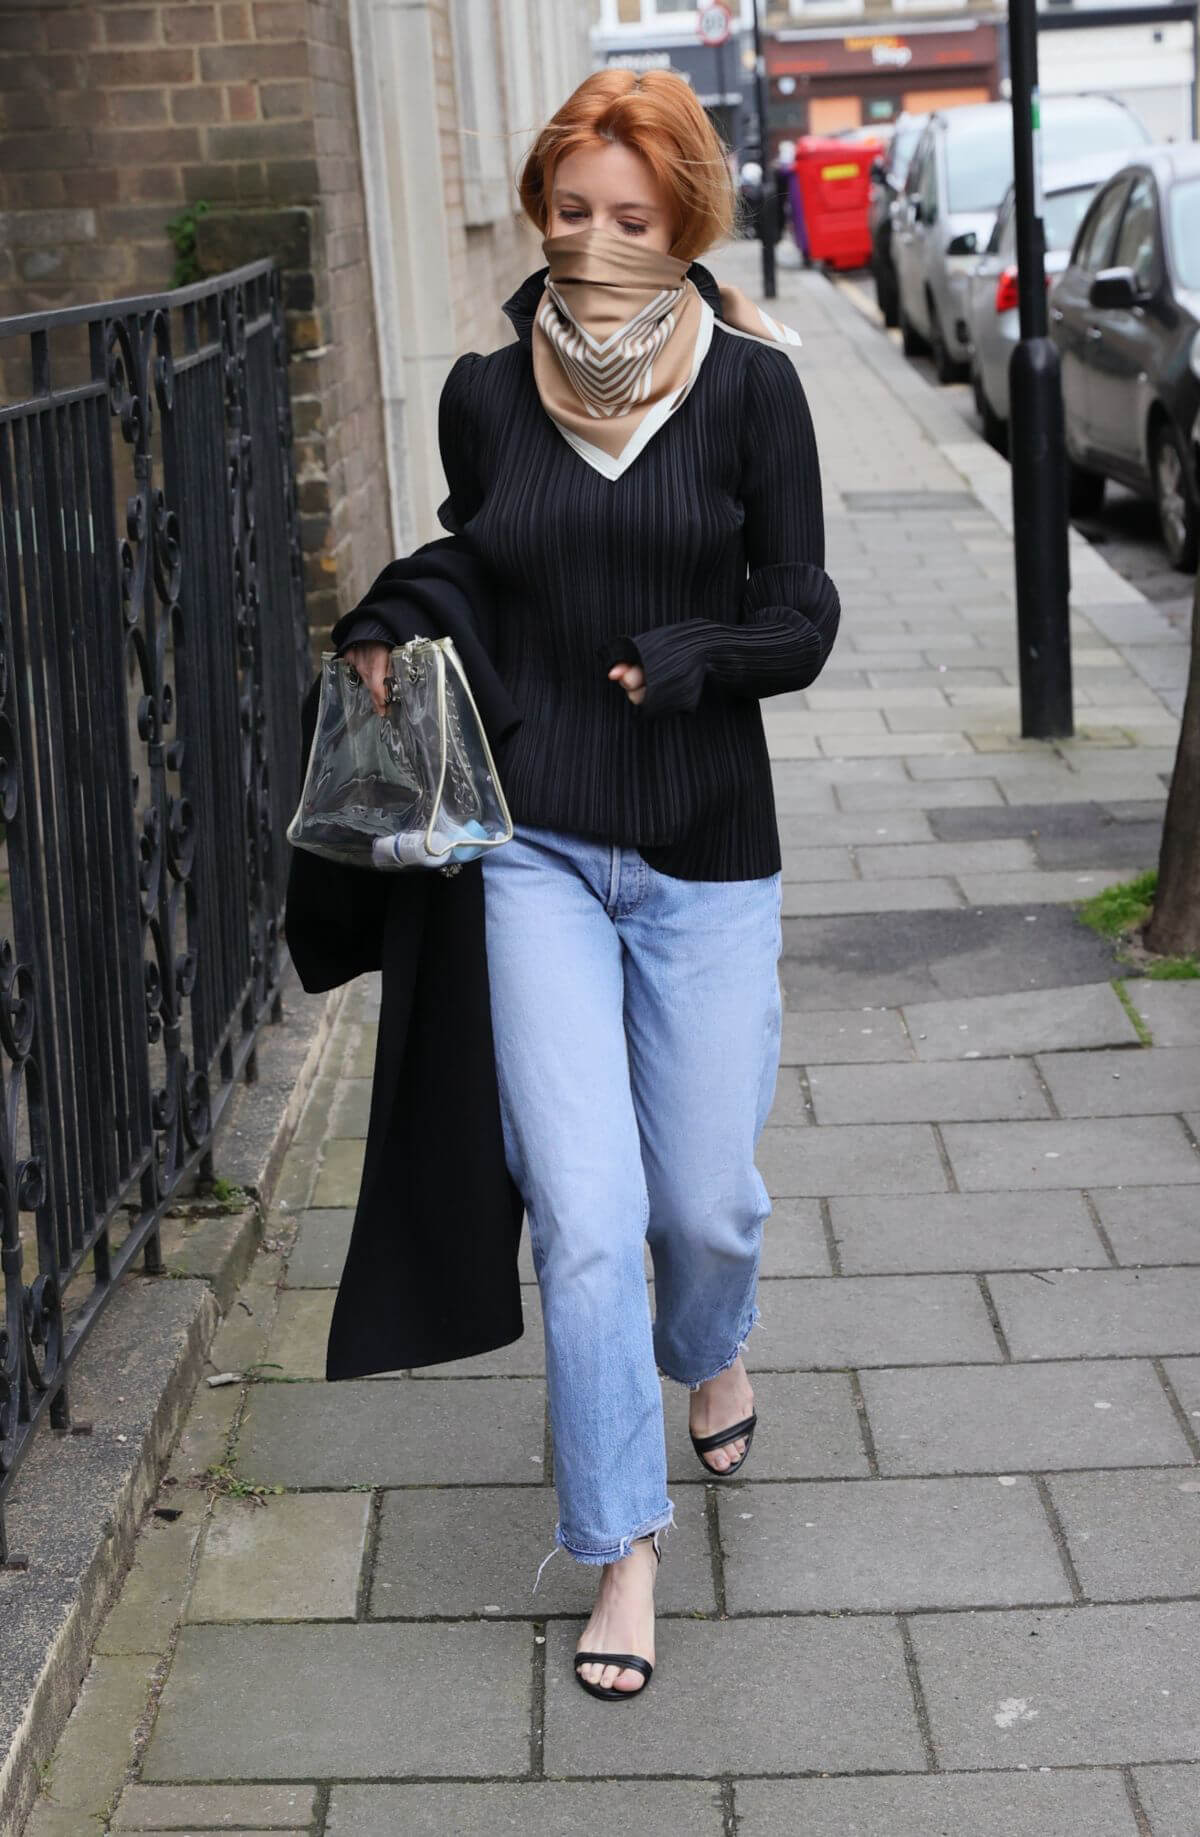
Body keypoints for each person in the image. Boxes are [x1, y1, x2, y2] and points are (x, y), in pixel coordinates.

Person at [340, 67, 839, 1704]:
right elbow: (478, 557)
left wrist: (712, 653)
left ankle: (716, 1346)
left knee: (703, 1202)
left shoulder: (753, 390)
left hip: (704, 852)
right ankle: (622, 1543)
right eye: (573, 211)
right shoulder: (488, 393)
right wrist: (390, 620)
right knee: (589, 1216)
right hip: (536, 851)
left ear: (682, 217)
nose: (598, 240)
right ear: (542, 207)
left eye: (633, 217)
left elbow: (807, 613)